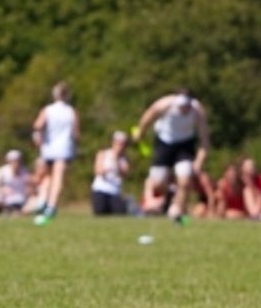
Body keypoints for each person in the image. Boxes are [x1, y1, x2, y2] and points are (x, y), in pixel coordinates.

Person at [133, 89, 210, 221]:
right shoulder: (165, 104)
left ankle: (177, 212)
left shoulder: (197, 111)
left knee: (184, 179)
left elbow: (204, 139)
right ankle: (170, 192)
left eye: (186, 106)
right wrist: (140, 133)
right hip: (164, 142)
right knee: (158, 181)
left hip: (185, 144)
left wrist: (199, 161)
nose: (183, 109)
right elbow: (149, 116)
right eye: (181, 106)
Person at [29, 81, 80, 219]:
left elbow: (37, 125)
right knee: (58, 177)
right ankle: (51, 206)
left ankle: (43, 202)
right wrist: (76, 148)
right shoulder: (71, 112)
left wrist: (37, 137)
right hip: (64, 149)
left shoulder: (48, 110)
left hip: (48, 149)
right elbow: (76, 134)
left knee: (47, 177)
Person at [0, 150, 42, 216]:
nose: (16, 163)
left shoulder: (25, 172)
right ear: (8, 161)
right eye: (13, 161)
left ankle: (16, 212)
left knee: (36, 200)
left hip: (21, 202)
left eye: (18, 161)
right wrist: (2, 189)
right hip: (4, 200)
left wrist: (30, 188)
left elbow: (33, 190)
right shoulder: (1, 172)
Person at [90, 131, 132, 216]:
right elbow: (97, 171)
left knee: (120, 213)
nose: (120, 146)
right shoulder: (103, 154)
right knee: (100, 212)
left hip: (115, 191)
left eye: (123, 144)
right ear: (113, 142)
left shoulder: (124, 159)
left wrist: (116, 160)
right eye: (118, 143)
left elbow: (125, 174)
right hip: (100, 189)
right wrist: (108, 168)